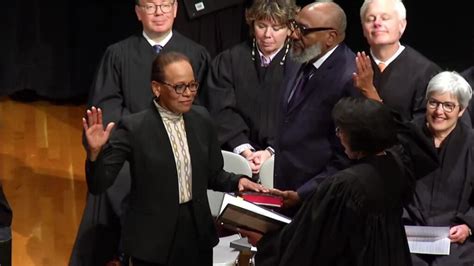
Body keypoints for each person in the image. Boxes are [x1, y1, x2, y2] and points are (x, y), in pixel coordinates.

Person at [82, 52, 266, 266]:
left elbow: (213, 174)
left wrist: (238, 181)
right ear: (156, 88)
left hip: (196, 234)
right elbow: (98, 184)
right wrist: (95, 153)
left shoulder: (202, 119)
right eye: (179, 87)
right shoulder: (134, 127)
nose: (188, 93)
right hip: (152, 240)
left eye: (192, 85)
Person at [71, 1, 211, 264]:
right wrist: (143, 139)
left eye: (165, 5)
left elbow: (201, 111)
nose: (159, 13)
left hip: (180, 152)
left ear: (176, 9)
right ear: (137, 12)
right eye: (150, 6)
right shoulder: (117, 54)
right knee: (112, 176)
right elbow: (108, 109)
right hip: (130, 150)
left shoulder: (196, 54)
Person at [239, 97, 413, 266]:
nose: (338, 136)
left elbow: (311, 245)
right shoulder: (394, 164)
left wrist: (266, 243)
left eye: (341, 130)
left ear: (358, 135)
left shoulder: (346, 185)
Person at [271, 1, 359, 215]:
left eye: (303, 30)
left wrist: (304, 193)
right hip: (286, 192)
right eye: (294, 25)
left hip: (321, 203)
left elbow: (347, 155)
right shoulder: (299, 59)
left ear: (331, 37)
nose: (293, 35)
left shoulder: (350, 77)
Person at [205, 0, 299, 174]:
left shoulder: (301, 64)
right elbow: (221, 108)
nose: (267, 35)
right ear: (252, 24)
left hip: (286, 158)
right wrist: (244, 150)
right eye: (261, 26)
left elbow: (303, 115)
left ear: (289, 29)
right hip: (236, 156)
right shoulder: (230, 60)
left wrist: (271, 150)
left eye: (276, 28)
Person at [402, 71, 474, 265]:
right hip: (410, 232)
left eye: (448, 105)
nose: (439, 111)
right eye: (434, 103)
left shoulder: (471, 142)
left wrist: (468, 225)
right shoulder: (407, 137)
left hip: (455, 237)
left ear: (461, 110)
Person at [353, 0, 441, 121]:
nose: (377, 23)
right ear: (363, 28)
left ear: (402, 25)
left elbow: (420, 131)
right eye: (370, 19)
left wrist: (370, 92)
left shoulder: (425, 72)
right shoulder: (350, 67)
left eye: (385, 18)